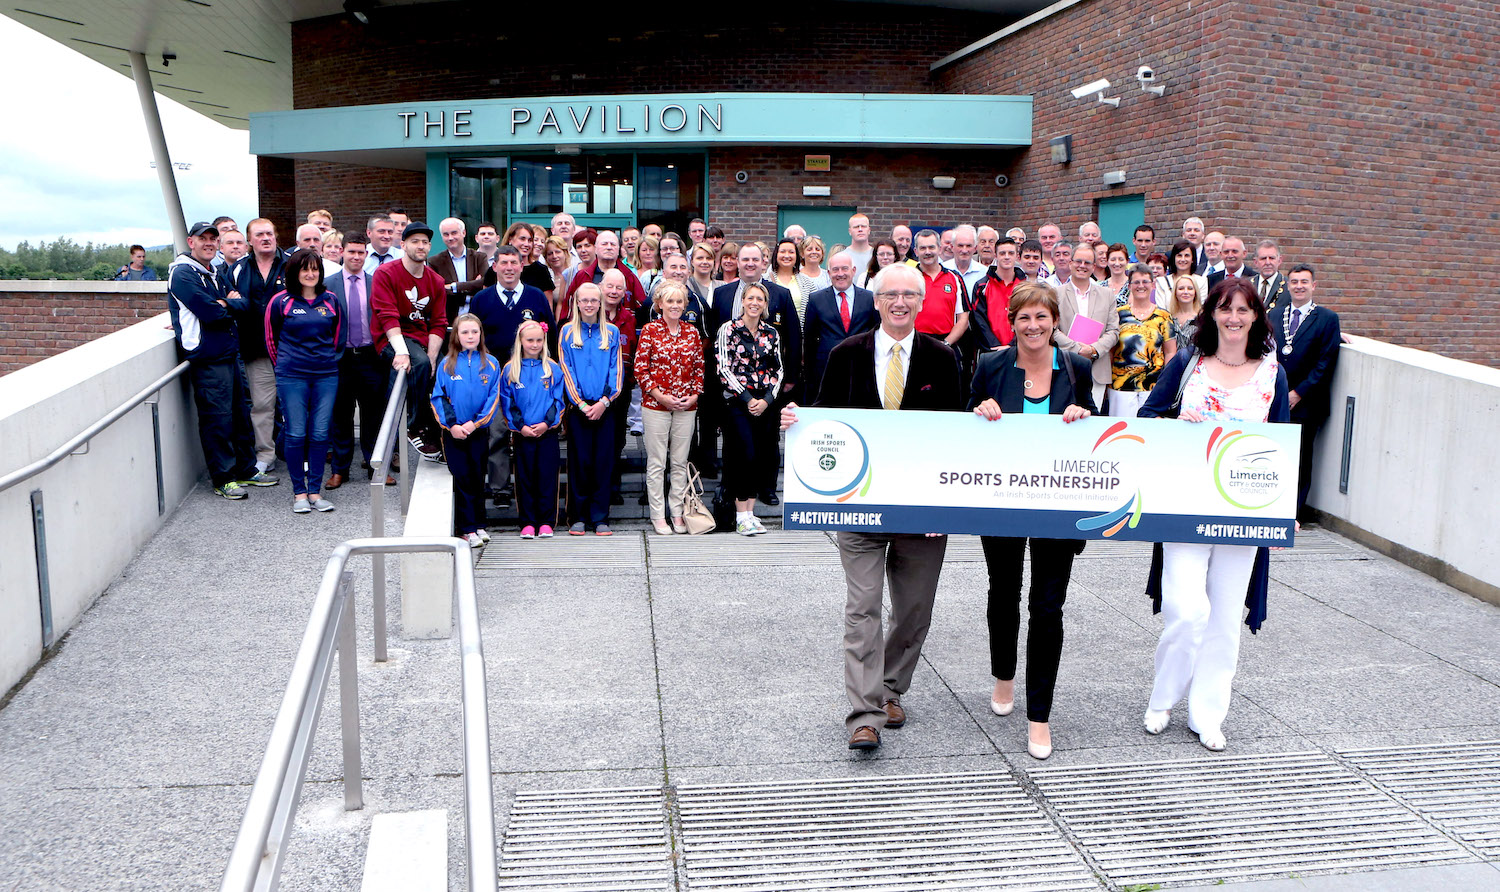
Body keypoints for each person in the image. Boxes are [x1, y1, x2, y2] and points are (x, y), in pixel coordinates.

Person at [779, 264, 962, 751]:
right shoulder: (845, 353)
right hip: (857, 509)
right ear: (876, 302)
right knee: (862, 609)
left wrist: (940, 509)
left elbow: (955, 438)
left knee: (914, 610)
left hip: (921, 512)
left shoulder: (944, 358)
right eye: (890, 294)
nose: (899, 302)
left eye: (909, 294)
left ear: (922, 302)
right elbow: (825, 417)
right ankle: (864, 714)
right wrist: (799, 421)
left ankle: (889, 688)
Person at [1139, 277, 1292, 752]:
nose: (1233, 318)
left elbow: (1284, 443)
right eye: (1225, 309)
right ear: (1212, 314)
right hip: (1186, 505)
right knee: (1186, 611)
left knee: (1225, 617)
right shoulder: (1188, 364)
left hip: (1243, 511)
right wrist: (1172, 422)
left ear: (1255, 317)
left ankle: (1207, 713)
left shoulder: (1273, 374)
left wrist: (1288, 507)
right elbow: (1146, 417)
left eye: (1243, 310)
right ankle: (1164, 698)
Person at [968, 282, 1096, 760]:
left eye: (1042, 317)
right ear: (1012, 321)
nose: (1033, 326)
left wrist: (1085, 413)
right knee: (1004, 592)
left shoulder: (1078, 367)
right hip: (1001, 500)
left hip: (1058, 506)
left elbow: (1095, 425)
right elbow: (967, 419)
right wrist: (979, 409)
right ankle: (1004, 674)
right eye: (1024, 317)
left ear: (1055, 321)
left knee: (1047, 608)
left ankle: (1039, 717)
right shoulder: (990, 365)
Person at [167, 222, 265, 500]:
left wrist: (226, 302)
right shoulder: (183, 274)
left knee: (240, 414)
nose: (209, 243)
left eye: (213, 238)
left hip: (229, 352)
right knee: (217, 420)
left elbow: (244, 305)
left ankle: (246, 469)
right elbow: (211, 314)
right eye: (203, 239)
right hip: (207, 358)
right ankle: (223, 479)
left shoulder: (212, 272)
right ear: (190, 242)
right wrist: (225, 303)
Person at [470, 245, 555, 506]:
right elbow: (473, 340)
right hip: (495, 379)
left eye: (513, 263)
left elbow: (549, 335)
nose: (509, 268)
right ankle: (500, 488)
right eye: (503, 262)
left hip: (531, 381)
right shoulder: (481, 299)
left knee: (528, 432)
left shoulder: (536, 296)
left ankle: (530, 487)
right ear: (494, 266)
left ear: (521, 266)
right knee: (497, 433)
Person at [264, 248, 343, 513]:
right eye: (305, 269)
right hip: (292, 376)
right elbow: (271, 339)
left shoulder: (331, 300)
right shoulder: (280, 301)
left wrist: (325, 362)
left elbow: (338, 338)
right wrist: (285, 367)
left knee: (320, 433)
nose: (310, 274)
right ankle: (299, 493)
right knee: (296, 432)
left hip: (325, 375)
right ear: (295, 272)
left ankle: (315, 492)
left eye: (315, 269)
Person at [370, 221, 448, 461]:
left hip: (421, 340)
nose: (421, 246)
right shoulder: (386, 273)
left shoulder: (435, 280)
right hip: (390, 339)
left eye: (425, 242)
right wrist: (402, 353)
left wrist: (434, 358)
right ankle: (412, 426)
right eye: (415, 241)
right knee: (418, 363)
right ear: (403, 244)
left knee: (444, 369)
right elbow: (387, 316)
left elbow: (438, 322)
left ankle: (440, 434)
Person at [1269, 264, 1341, 520]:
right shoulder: (1274, 315)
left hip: (1307, 403)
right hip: (1274, 399)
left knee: (1300, 458)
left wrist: (1298, 392)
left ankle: (1292, 514)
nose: (1299, 286)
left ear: (1314, 286)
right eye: (1294, 282)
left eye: (1304, 282)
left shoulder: (1327, 319)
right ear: (1288, 286)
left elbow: (1325, 362)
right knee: (1272, 455)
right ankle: (1270, 507)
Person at [635, 282, 704, 535]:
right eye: (670, 302)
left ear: (685, 306)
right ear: (659, 304)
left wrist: (694, 394)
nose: (675, 306)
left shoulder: (692, 333)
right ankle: (657, 514)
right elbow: (640, 370)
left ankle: (677, 511)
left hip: (687, 406)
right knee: (656, 462)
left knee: (679, 461)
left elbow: (699, 369)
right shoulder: (650, 331)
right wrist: (661, 396)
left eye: (679, 302)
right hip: (656, 406)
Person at [716, 282, 783, 536]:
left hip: (764, 402)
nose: (755, 303)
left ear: (765, 305)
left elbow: (779, 369)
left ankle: (751, 513)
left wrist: (766, 399)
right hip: (738, 402)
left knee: (761, 456)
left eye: (760, 299)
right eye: (751, 298)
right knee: (743, 454)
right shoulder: (728, 329)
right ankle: (740, 514)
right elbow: (723, 367)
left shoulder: (771, 333)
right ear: (743, 301)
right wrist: (747, 398)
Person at [325, 234, 391, 489]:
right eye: (351, 252)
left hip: (370, 357)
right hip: (340, 359)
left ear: (366, 254)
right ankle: (340, 470)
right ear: (342, 252)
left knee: (373, 415)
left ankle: (375, 466)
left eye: (361, 253)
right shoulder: (328, 285)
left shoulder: (377, 284)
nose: (356, 257)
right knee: (340, 415)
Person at [558, 283, 623, 536]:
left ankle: (600, 517)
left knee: (603, 463)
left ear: (601, 303)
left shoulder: (613, 333)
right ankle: (578, 516)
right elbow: (566, 371)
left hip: (605, 408)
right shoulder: (566, 333)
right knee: (580, 462)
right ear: (576, 303)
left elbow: (616, 372)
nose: (588, 305)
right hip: (579, 409)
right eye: (583, 300)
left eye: (593, 301)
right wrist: (582, 404)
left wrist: (604, 402)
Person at [430, 314, 500, 548]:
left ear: (481, 335)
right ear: (456, 336)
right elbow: (438, 397)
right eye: (465, 332)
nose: (470, 336)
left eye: (474, 332)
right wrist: (453, 426)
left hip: (477, 431)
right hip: (455, 433)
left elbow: (493, 398)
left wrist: (475, 423)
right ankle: (466, 528)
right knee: (462, 477)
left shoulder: (491, 363)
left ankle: (479, 524)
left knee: (478, 476)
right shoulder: (447, 363)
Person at [225, 218, 287, 477]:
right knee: (262, 405)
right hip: (256, 349)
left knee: (298, 403)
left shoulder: (291, 264)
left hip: (291, 348)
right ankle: (265, 455)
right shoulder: (238, 269)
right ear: (250, 240)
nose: (266, 238)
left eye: (270, 234)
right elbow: (227, 301)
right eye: (259, 234)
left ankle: (302, 452)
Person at [498, 319, 564, 540]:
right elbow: (507, 402)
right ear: (521, 341)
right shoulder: (510, 369)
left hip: (547, 432)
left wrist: (547, 423)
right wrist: (521, 426)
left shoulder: (552, 368)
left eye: (539, 340)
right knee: (525, 477)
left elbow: (558, 400)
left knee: (547, 476)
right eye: (530, 340)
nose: (534, 344)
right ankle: (527, 522)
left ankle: (546, 521)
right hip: (523, 434)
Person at [1051, 242, 1121, 410]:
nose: (1082, 266)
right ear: (1070, 263)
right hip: (1063, 365)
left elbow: (1113, 331)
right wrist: (1076, 349)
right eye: (1078, 261)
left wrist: (1094, 350)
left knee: (1091, 420)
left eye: (1087, 263)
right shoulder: (1055, 294)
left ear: (1094, 266)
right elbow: (1052, 329)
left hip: (1096, 368)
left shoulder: (1107, 295)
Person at [801, 251, 876, 403]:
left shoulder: (870, 298)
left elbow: (877, 333)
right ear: (829, 273)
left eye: (844, 269)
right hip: (826, 370)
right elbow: (809, 339)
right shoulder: (816, 299)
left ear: (853, 271)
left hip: (862, 370)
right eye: (835, 270)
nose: (840, 274)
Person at [1108, 264, 1178, 417]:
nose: (1141, 286)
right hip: (1121, 386)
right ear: (1129, 286)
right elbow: (1110, 351)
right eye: (1136, 282)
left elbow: (1170, 351)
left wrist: (1166, 382)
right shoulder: (1118, 314)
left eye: (1145, 282)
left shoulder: (1164, 316)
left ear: (1153, 285)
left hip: (1153, 386)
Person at [913, 230, 969, 350]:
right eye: (923, 248)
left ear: (939, 249)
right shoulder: (908, 277)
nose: (927, 252)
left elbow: (963, 319)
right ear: (916, 251)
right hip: (914, 344)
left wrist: (946, 343)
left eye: (931, 247)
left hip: (946, 344)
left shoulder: (954, 277)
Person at [967, 238, 1024, 353]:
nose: (1007, 257)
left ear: (1017, 256)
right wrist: (995, 347)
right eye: (1002, 253)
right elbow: (979, 321)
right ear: (995, 255)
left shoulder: (1026, 287)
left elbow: (1029, 320)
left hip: (1020, 350)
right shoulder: (982, 286)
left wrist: (1013, 345)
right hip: (990, 351)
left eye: (1011, 253)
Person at [432, 218, 489, 322]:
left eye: (454, 233)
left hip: (478, 318)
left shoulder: (479, 258)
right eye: (446, 234)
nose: (450, 238)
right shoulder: (435, 262)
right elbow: (437, 291)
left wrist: (455, 287)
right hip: (449, 320)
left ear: (464, 233)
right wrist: (474, 285)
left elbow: (486, 283)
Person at [769, 237, 819, 319]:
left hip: (799, 330)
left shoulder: (807, 283)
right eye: (782, 252)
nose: (787, 255)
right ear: (776, 254)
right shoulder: (765, 279)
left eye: (791, 252)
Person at [1155, 240, 1208, 309]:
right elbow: (1161, 310)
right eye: (1179, 256)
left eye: (1187, 255)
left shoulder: (1201, 282)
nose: (1183, 259)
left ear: (1192, 259)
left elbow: (1200, 308)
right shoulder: (1162, 282)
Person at [1166, 273, 1205, 348]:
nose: (1186, 292)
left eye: (1190, 288)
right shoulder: (1168, 319)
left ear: (1195, 292)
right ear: (1175, 293)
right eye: (1181, 288)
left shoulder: (1202, 319)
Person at [1252, 239, 1290, 313]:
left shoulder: (1288, 287)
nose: (1267, 262)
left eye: (1272, 258)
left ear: (1279, 260)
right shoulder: (1247, 285)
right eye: (1263, 258)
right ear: (1256, 262)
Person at [948, 225, 987, 296]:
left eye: (968, 246)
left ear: (975, 248)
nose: (964, 250)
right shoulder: (943, 270)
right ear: (952, 247)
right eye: (960, 245)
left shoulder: (984, 273)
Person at [542, 235, 573, 317]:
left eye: (558, 252)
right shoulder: (545, 278)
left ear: (565, 253)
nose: (554, 256)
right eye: (550, 253)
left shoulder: (573, 274)